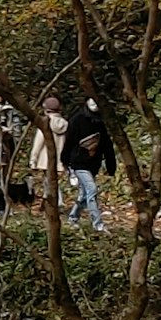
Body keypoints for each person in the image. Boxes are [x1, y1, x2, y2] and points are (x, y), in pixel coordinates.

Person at [57, 93, 110, 231]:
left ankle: (73, 217)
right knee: (92, 190)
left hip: (93, 164)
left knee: (85, 194)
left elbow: (106, 144)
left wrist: (110, 164)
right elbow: (69, 142)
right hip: (78, 163)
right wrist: (65, 160)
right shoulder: (77, 120)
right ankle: (98, 224)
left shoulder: (100, 122)